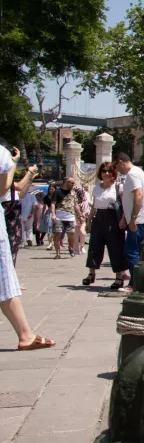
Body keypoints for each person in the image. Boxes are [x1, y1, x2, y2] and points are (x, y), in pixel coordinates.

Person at [1, 145, 55, 350]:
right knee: (4, 279)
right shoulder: (1, 154)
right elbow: (5, 188)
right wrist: (13, 165)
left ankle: (25, 334)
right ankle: (25, 335)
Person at [114, 153, 144, 292]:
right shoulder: (137, 172)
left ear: (121, 162)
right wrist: (125, 218)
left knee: (131, 251)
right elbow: (132, 199)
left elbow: (138, 196)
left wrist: (132, 219)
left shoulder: (132, 175)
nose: (116, 170)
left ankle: (135, 284)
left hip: (139, 219)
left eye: (116, 166)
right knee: (136, 251)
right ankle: (139, 281)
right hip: (141, 218)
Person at [84, 162, 129, 287]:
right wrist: (88, 221)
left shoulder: (118, 187)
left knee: (116, 248)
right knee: (94, 246)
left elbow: (125, 205)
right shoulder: (97, 188)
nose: (106, 173)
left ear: (113, 173)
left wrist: (123, 220)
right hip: (99, 218)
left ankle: (119, 277)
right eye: (104, 171)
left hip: (113, 218)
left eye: (109, 171)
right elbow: (94, 206)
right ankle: (91, 273)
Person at [2, 159, 38, 264]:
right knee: (9, 245)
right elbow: (19, 186)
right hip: (8, 213)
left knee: (13, 245)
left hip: (12, 212)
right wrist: (28, 172)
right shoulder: (5, 181)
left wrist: (30, 178)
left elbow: (21, 194)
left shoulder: (8, 184)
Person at [50, 177, 81, 260]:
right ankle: (58, 253)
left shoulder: (73, 193)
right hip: (59, 216)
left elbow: (76, 205)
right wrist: (53, 214)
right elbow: (53, 203)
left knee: (71, 234)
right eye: (70, 182)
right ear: (65, 183)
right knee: (57, 234)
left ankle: (70, 247)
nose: (72, 184)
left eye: (73, 183)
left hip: (70, 217)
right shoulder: (57, 192)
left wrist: (80, 215)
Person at [74, 185, 89, 255]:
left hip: (83, 218)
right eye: (81, 193)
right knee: (76, 234)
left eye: (83, 193)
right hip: (75, 218)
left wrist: (85, 214)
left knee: (82, 231)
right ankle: (76, 248)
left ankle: (82, 247)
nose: (83, 194)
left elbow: (87, 209)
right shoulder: (75, 201)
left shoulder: (85, 200)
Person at [40, 184, 55, 248]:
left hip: (57, 211)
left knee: (56, 229)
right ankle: (50, 243)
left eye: (52, 189)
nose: (51, 190)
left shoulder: (57, 196)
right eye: (50, 189)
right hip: (49, 211)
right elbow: (44, 206)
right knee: (49, 228)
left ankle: (56, 242)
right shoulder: (46, 197)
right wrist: (43, 214)